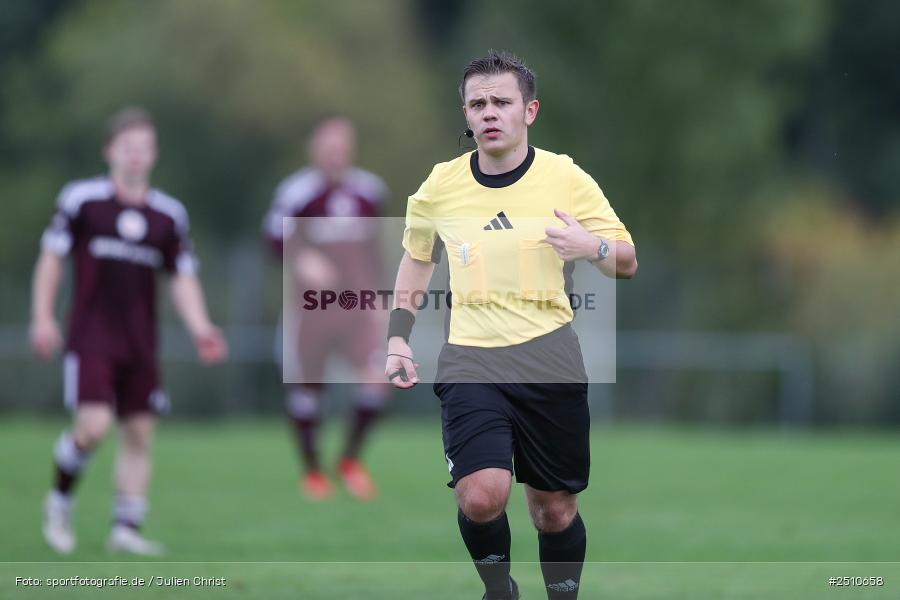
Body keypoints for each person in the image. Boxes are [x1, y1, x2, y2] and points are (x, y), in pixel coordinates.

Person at [385, 51, 637, 599]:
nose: (489, 112)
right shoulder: (441, 185)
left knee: (553, 510)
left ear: (530, 111)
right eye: (477, 104)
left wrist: (589, 245)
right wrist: (398, 336)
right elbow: (418, 257)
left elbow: (626, 259)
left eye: (502, 101)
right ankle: (499, 591)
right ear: (466, 114)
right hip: (471, 358)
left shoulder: (564, 177)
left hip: (550, 357)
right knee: (481, 496)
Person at [31, 107, 228, 556]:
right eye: (128, 148)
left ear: (154, 154)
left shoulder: (167, 215)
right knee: (93, 428)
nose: (136, 156)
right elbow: (51, 258)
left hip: (141, 342)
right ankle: (59, 500)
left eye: (144, 148)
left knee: (139, 433)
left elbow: (182, 275)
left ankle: (126, 528)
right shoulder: (82, 201)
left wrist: (201, 327)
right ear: (110, 151)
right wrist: (42, 316)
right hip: (91, 336)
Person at [264, 116, 389, 501]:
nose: (337, 154)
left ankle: (349, 460)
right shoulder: (297, 192)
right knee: (308, 389)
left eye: (343, 147)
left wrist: (382, 297)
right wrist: (301, 258)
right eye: (329, 147)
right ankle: (313, 471)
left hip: (356, 309)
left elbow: (375, 249)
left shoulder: (369, 191)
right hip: (312, 310)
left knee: (377, 378)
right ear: (314, 150)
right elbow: (272, 239)